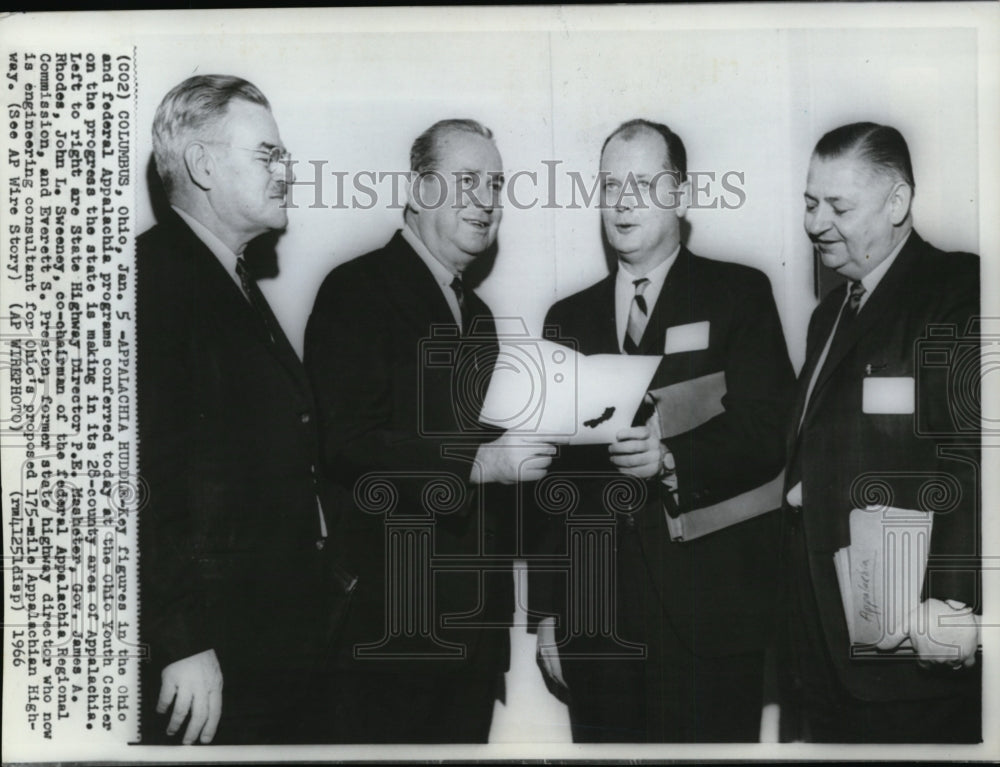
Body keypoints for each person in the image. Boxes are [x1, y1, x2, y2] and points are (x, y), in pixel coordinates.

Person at [532, 119, 795, 742]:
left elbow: (771, 428)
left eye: (643, 184)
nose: (621, 201)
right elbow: (549, 483)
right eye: (609, 185)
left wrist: (672, 457)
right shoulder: (565, 319)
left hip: (710, 619)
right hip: (595, 625)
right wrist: (546, 613)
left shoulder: (740, 293)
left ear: (680, 194)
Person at [304, 119, 560, 743]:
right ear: (418, 191)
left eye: (495, 185)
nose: (486, 201)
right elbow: (348, 444)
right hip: (387, 635)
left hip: (471, 644)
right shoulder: (356, 289)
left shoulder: (478, 316)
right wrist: (480, 466)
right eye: (467, 180)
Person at [137, 74, 344, 745]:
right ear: (202, 164)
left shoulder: (227, 279)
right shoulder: (155, 279)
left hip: (270, 646)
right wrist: (181, 641)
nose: (287, 172)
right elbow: (130, 478)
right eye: (268, 155)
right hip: (214, 658)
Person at [780, 121, 981, 743]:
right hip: (823, 639)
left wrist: (953, 600)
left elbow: (970, 456)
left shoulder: (957, 290)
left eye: (838, 206)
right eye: (810, 203)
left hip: (912, 640)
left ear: (898, 203)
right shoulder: (828, 315)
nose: (816, 223)